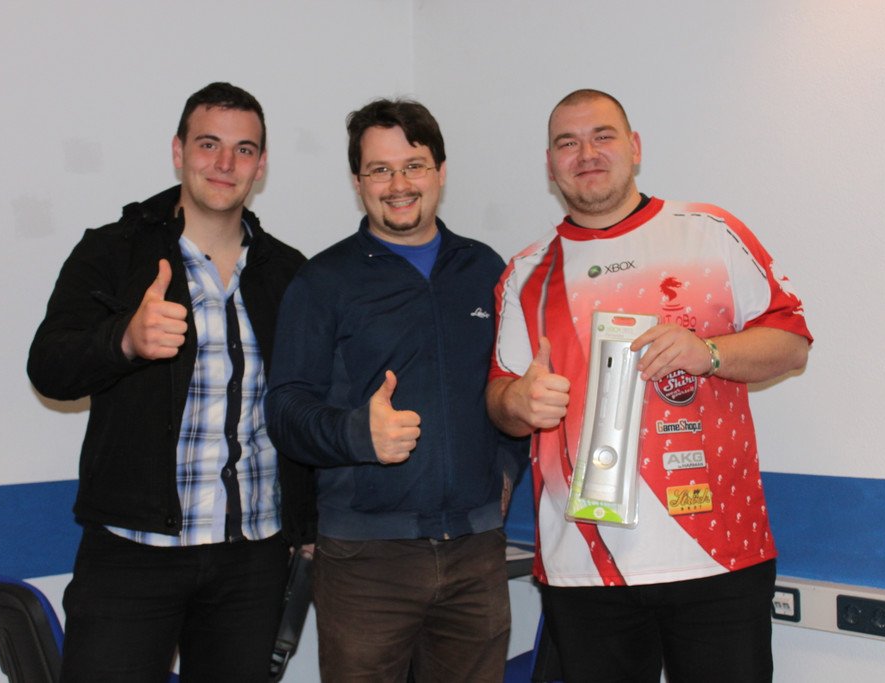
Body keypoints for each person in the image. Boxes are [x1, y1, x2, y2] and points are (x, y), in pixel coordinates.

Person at [486, 88, 812, 682]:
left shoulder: (709, 232)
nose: (587, 153)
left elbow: (791, 344)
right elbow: (500, 399)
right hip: (584, 565)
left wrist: (709, 352)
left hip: (716, 555)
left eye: (602, 136)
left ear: (634, 147)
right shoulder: (526, 273)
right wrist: (519, 401)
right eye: (568, 143)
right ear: (551, 163)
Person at [27, 82, 314, 683]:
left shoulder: (290, 273)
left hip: (252, 558)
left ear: (260, 165)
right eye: (209, 144)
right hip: (132, 553)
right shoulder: (114, 252)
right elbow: (48, 367)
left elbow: (304, 406)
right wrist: (124, 341)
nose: (225, 163)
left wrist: (308, 526)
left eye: (243, 149)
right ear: (179, 151)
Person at [265, 98, 525, 682]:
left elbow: (511, 388)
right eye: (380, 170)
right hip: (366, 563)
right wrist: (358, 433)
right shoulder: (322, 281)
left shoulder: (486, 270)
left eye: (414, 166)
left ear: (441, 171)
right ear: (358, 181)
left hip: (476, 554)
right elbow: (284, 410)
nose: (399, 184)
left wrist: (508, 469)